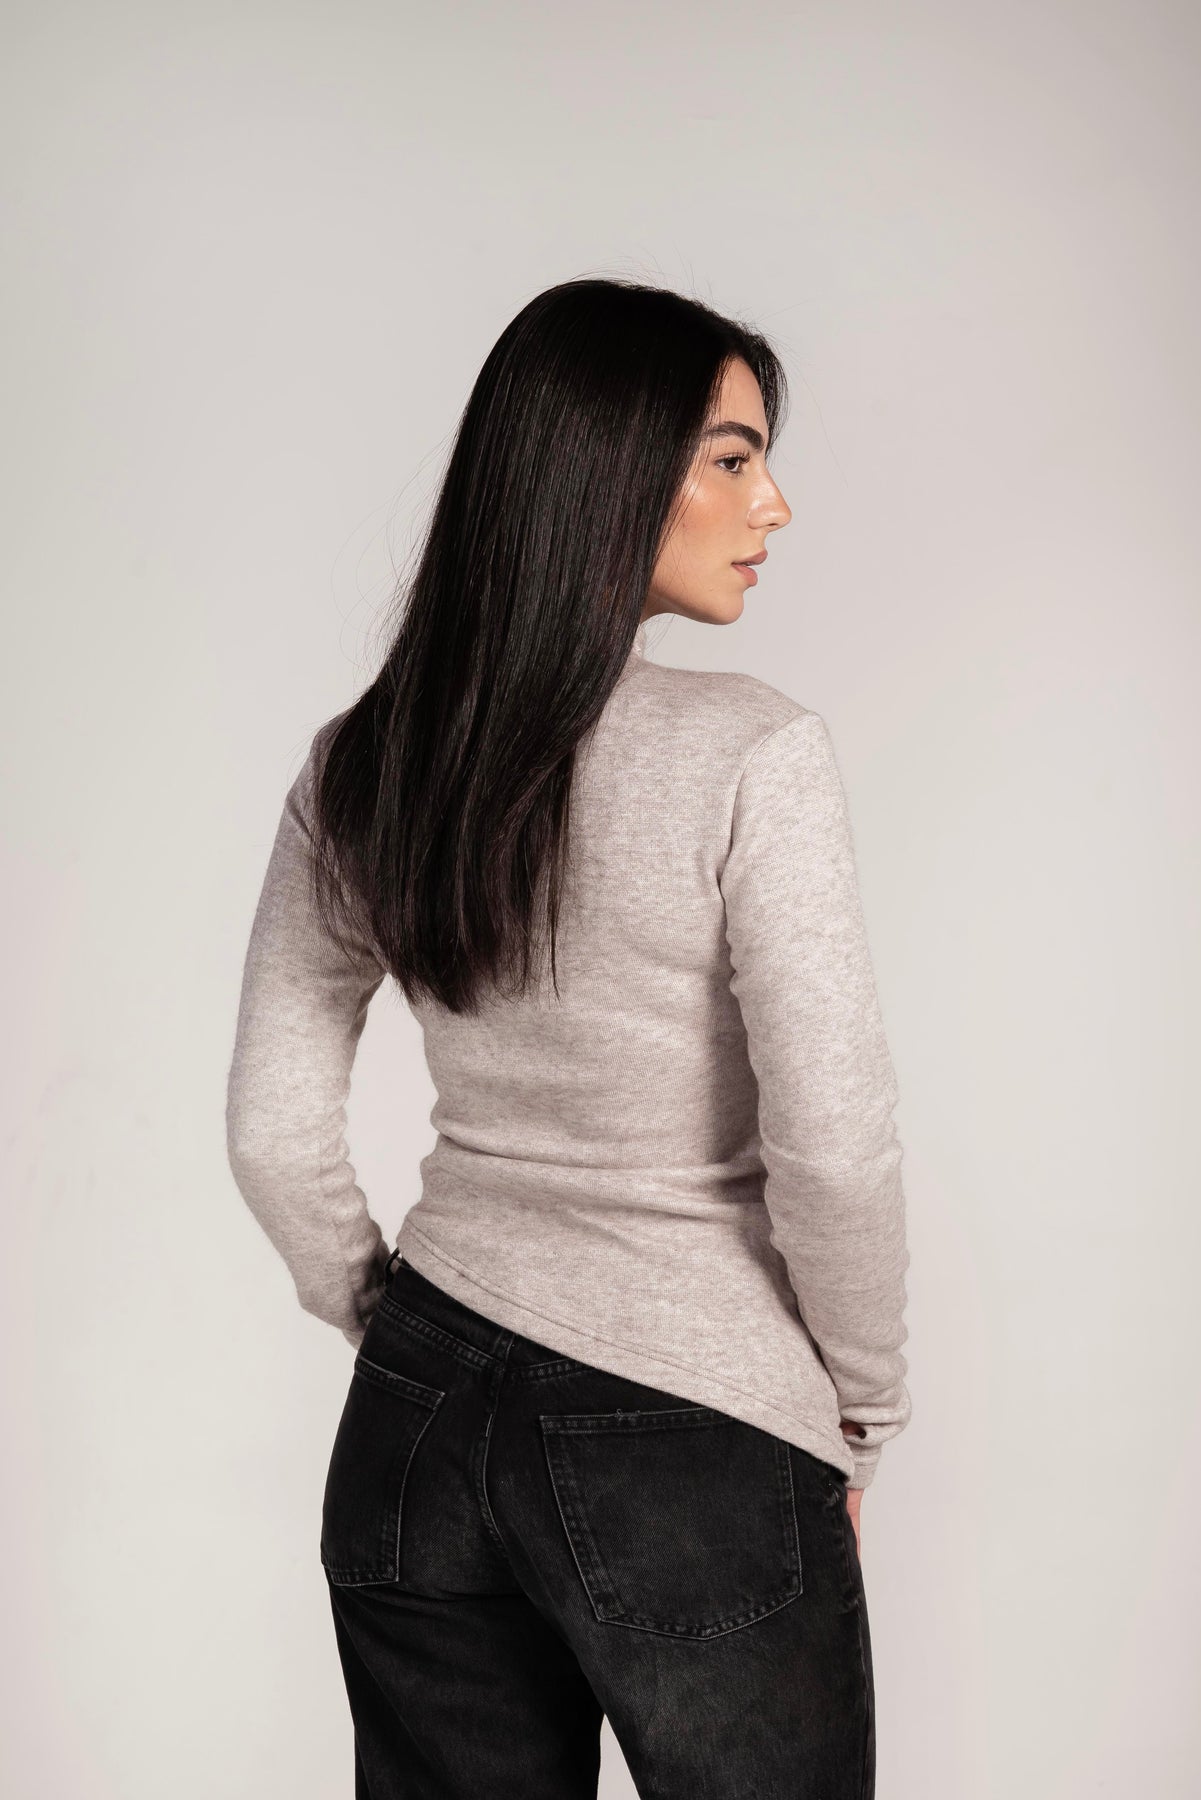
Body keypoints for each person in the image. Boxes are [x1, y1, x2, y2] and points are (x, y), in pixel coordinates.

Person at [225, 276, 912, 1799]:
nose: (773, 503)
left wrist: (386, 1316)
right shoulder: (750, 752)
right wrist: (859, 1412)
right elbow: (835, 1143)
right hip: (694, 1423)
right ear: (610, 469)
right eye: (732, 457)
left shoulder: (366, 765)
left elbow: (272, 1132)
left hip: (416, 1415)